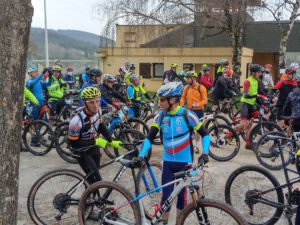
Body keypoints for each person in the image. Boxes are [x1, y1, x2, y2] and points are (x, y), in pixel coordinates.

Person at [137, 82, 210, 225]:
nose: (159, 103)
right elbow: (149, 138)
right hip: (168, 162)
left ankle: (179, 222)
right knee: (166, 196)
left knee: (182, 198)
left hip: (185, 163)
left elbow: (205, 134)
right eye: (159, 99)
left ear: (173, 99)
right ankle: (164, 222)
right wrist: (141, 155)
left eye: (163, 99)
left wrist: (205, 153)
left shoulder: (188, 115)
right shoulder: (160, 117)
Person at [68, 87, 122, 184]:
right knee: (96, 179)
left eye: (98, 101)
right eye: (91, 102)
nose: (96, 105)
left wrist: (111, 141)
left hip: (93, 147)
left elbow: (100, 125)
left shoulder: (98, 110)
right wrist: (96, 141)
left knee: (94, 177)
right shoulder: (76, 120)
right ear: (84, 103)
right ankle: (89, 196)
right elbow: (73, 143)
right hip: (82, 150)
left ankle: (91, 195)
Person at [234, 64, 264, 149]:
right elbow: (246, 94)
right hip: (245, 104)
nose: (260, 73)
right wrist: (255, 96)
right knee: (244, 124)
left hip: (251, 104)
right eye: (259, 72)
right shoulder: (248, 81)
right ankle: (230, 133)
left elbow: (257, 95)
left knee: (249, 124)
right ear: (253, 73)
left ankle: (248, 143)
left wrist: (262, 104)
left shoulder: (256, 81)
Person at [180, 71, 208, 153]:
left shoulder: (201, 88)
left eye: (188, 79)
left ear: (193, 78)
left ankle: (196, 146)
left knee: (198, 130)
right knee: (189, 129)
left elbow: (205, 100)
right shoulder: (187, 87)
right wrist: (181, 105)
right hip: (189, 111)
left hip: (199, 111)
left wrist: (197, 104)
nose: (187, 80)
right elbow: (182, 97)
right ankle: (188, 145)